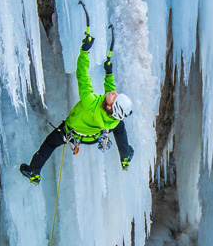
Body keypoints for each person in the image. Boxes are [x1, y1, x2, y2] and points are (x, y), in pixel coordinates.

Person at [20, 33, 134, 185]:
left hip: (71, 132)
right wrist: (109, 73)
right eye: (116, 95)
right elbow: (110, 89)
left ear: (109, 106)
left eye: (114, 98)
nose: (114, 93)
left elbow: (82, 74)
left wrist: (85, 50)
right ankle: (125, 157)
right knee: (120, 127)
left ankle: (34, 172)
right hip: (94, 136)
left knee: (50, 143)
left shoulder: (90, 102)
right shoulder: (113, 119)